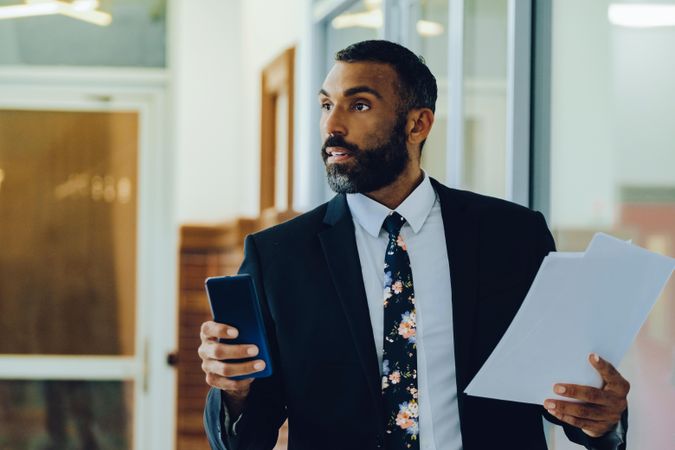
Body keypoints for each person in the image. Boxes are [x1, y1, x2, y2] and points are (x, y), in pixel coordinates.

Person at [199, 40, 629, 450]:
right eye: (326, 105)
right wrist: (234, 390)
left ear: (417, 124)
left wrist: (603, 416)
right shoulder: (279, 257)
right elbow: (245, 439)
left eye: (359, 104)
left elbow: (560, 389)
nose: (332, 126)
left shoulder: (514, 236)